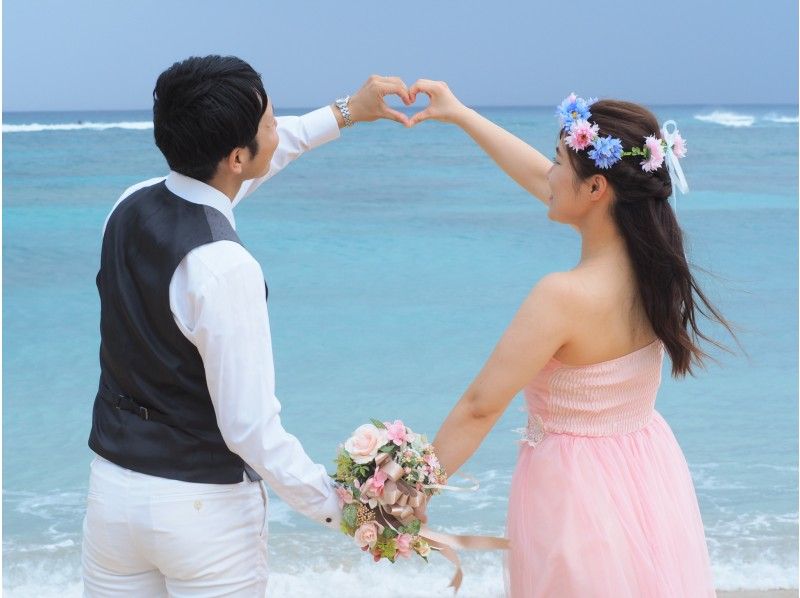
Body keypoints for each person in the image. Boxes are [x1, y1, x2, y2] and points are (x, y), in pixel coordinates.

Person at [82, 55, 411, 596]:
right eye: (270, 123)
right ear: (236, 157)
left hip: (112, 498)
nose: (278, 130)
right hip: (201, 515)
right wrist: (348, 509)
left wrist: (349, 111)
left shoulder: (129, 203)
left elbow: (247, 171)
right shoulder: (225, 266)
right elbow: (250, 430)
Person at [408, 82, 732, 596]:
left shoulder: (563, 296)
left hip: (576, 494)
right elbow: (546, 180)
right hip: (645, 475)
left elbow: (480, 405)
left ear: (597, 189)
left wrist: (413, 485)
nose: (549, 172)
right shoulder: (657, 268)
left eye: (559, 160)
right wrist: (461, 115)